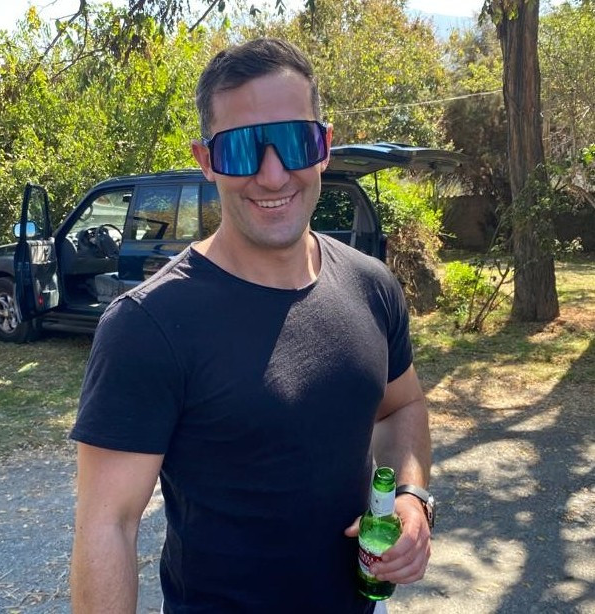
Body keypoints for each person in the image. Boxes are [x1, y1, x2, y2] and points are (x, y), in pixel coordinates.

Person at [70, 37, 433, 614]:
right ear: (206, 160)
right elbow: (107, 525)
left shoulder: (372, 285)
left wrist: (411, 496)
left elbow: (401, 407)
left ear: (323, 147)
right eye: (241, 149)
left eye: (293, 142)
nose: (272, 174)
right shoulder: (147, 326)